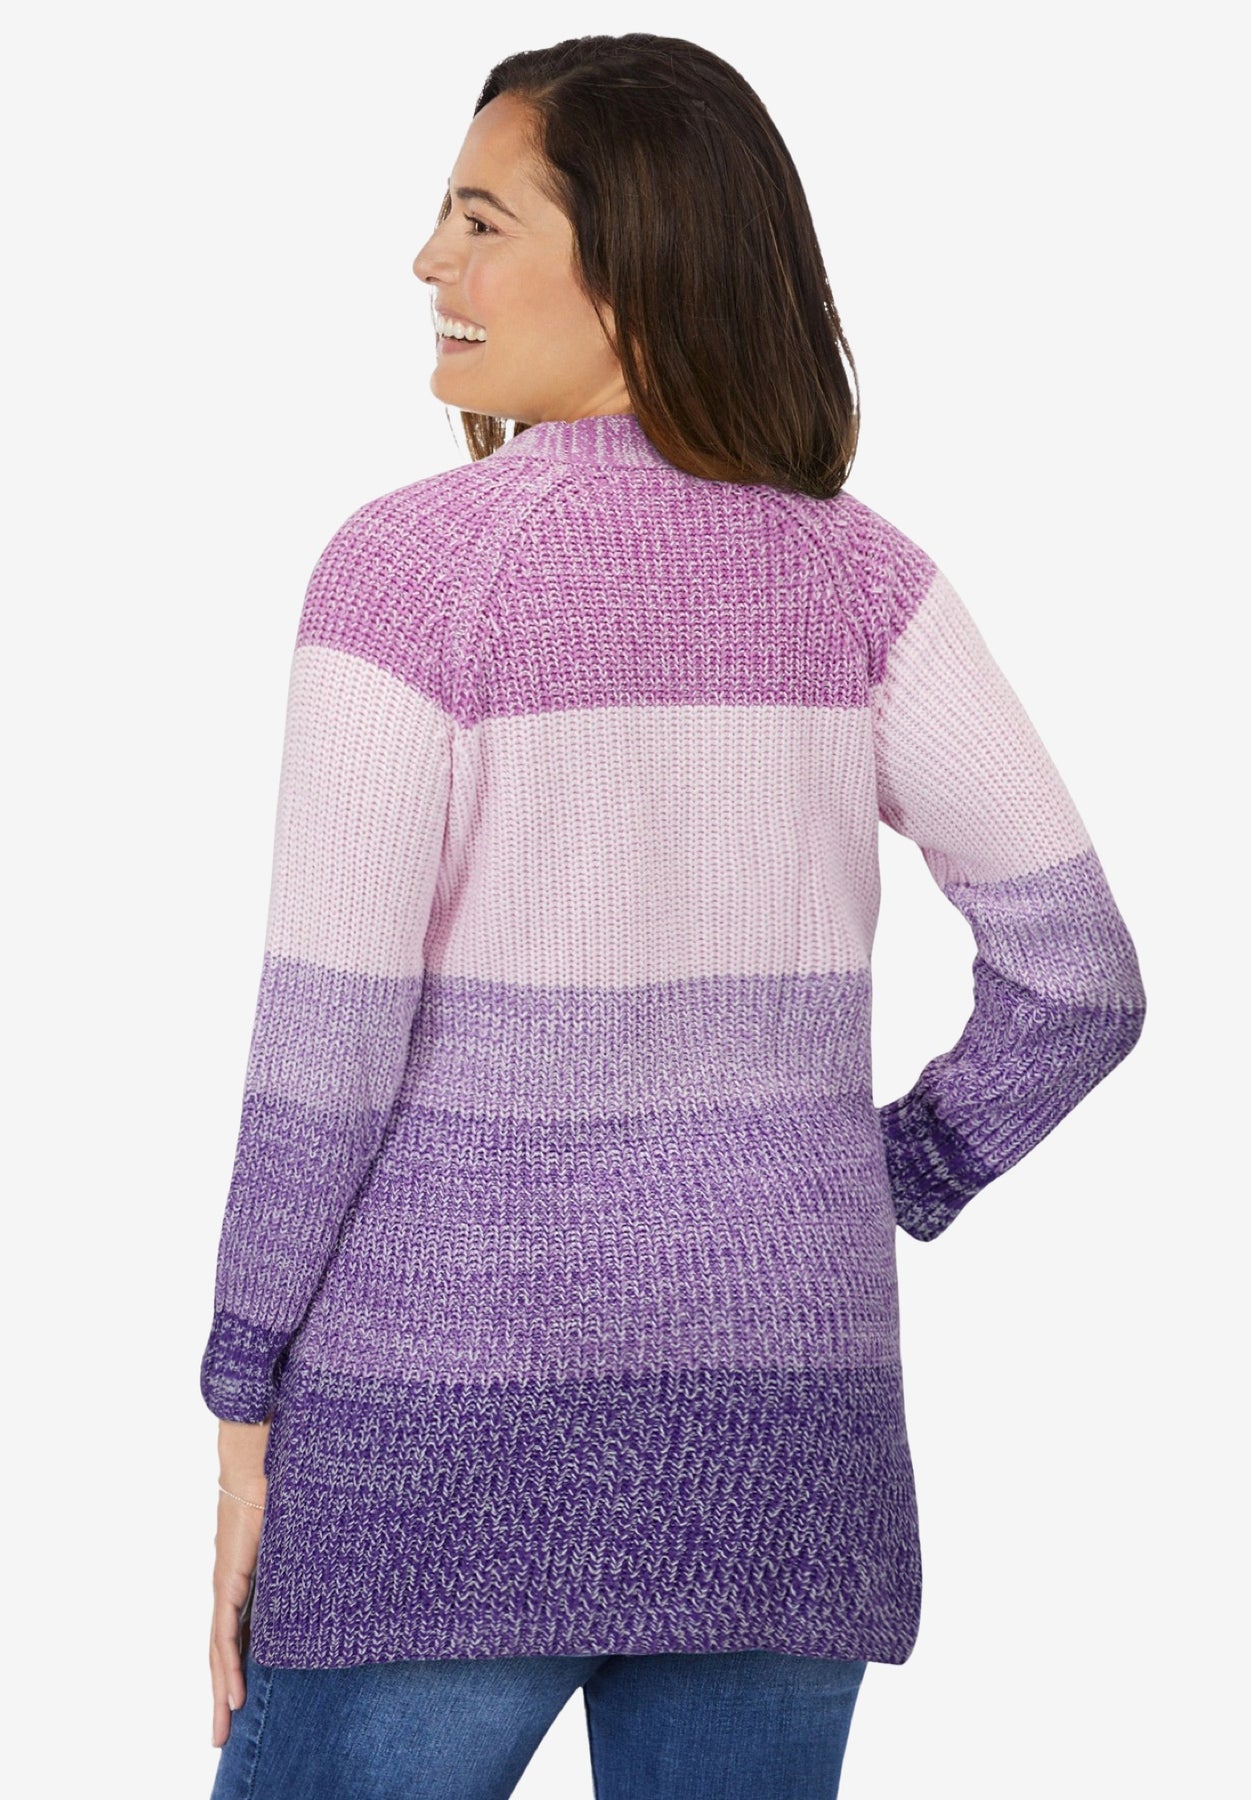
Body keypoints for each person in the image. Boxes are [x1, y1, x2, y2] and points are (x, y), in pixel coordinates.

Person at [201, 32, 1147, 1800]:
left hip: (440, 1442)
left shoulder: (409, 573)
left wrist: (242, 1404)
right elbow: (1078, 978)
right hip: (787, 1428)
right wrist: (874, 1172)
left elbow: (325, 1053)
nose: (428, 260)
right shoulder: (865, 579)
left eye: (481, 220)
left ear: (635, 263)